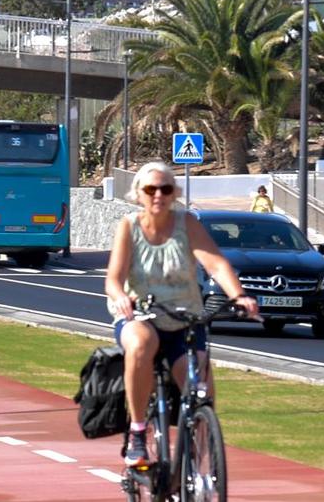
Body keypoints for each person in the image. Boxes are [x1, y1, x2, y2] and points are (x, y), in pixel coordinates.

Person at [104, 162, 259, 468]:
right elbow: (113, 277)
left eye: (165, 189)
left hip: (184, 318)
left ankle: (194, 457)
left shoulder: (187, 223)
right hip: (141, 314)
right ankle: (138, 432)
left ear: (175, 193)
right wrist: (121, 296)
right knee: (140, 345)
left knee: (199, 385)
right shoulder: (129, 226)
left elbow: (215, 264)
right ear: (138, 195)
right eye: (150, 189)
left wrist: (238, 295)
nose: (158, 195)